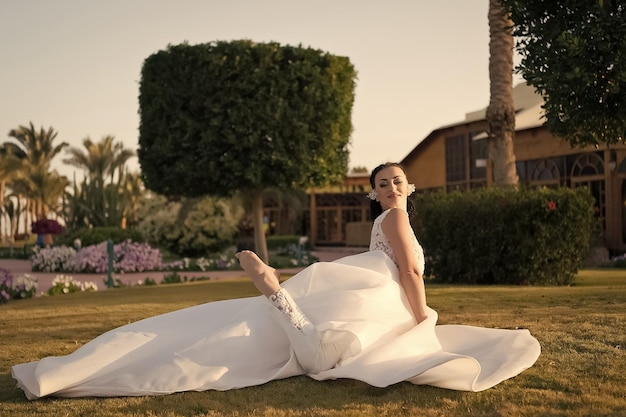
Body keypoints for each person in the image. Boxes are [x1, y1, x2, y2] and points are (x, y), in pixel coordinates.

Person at [11, 163, 541, 400]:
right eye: (383, 184)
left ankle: (278, 296)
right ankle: (277, 295)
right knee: (304, 352)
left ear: (410, 184)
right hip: (382, 292)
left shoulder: (389, 218)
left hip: (370, 289)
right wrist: (422, 313)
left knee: (234, 336)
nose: (392, 186)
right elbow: (408, 272)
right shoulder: (397, 219)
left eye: (398, 180)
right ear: (376, 194)